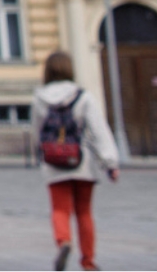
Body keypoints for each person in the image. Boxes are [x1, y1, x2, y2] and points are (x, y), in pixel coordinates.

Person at [35, 50, 120, 272]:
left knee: (60, 209)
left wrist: (43, 153)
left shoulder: (39, 98)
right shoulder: (83, 96)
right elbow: (98, 129)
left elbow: (38, 131)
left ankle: (63, 241)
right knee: (84, 212)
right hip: (82, 160)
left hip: (54, 161)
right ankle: (88, 262)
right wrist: (110, 162)